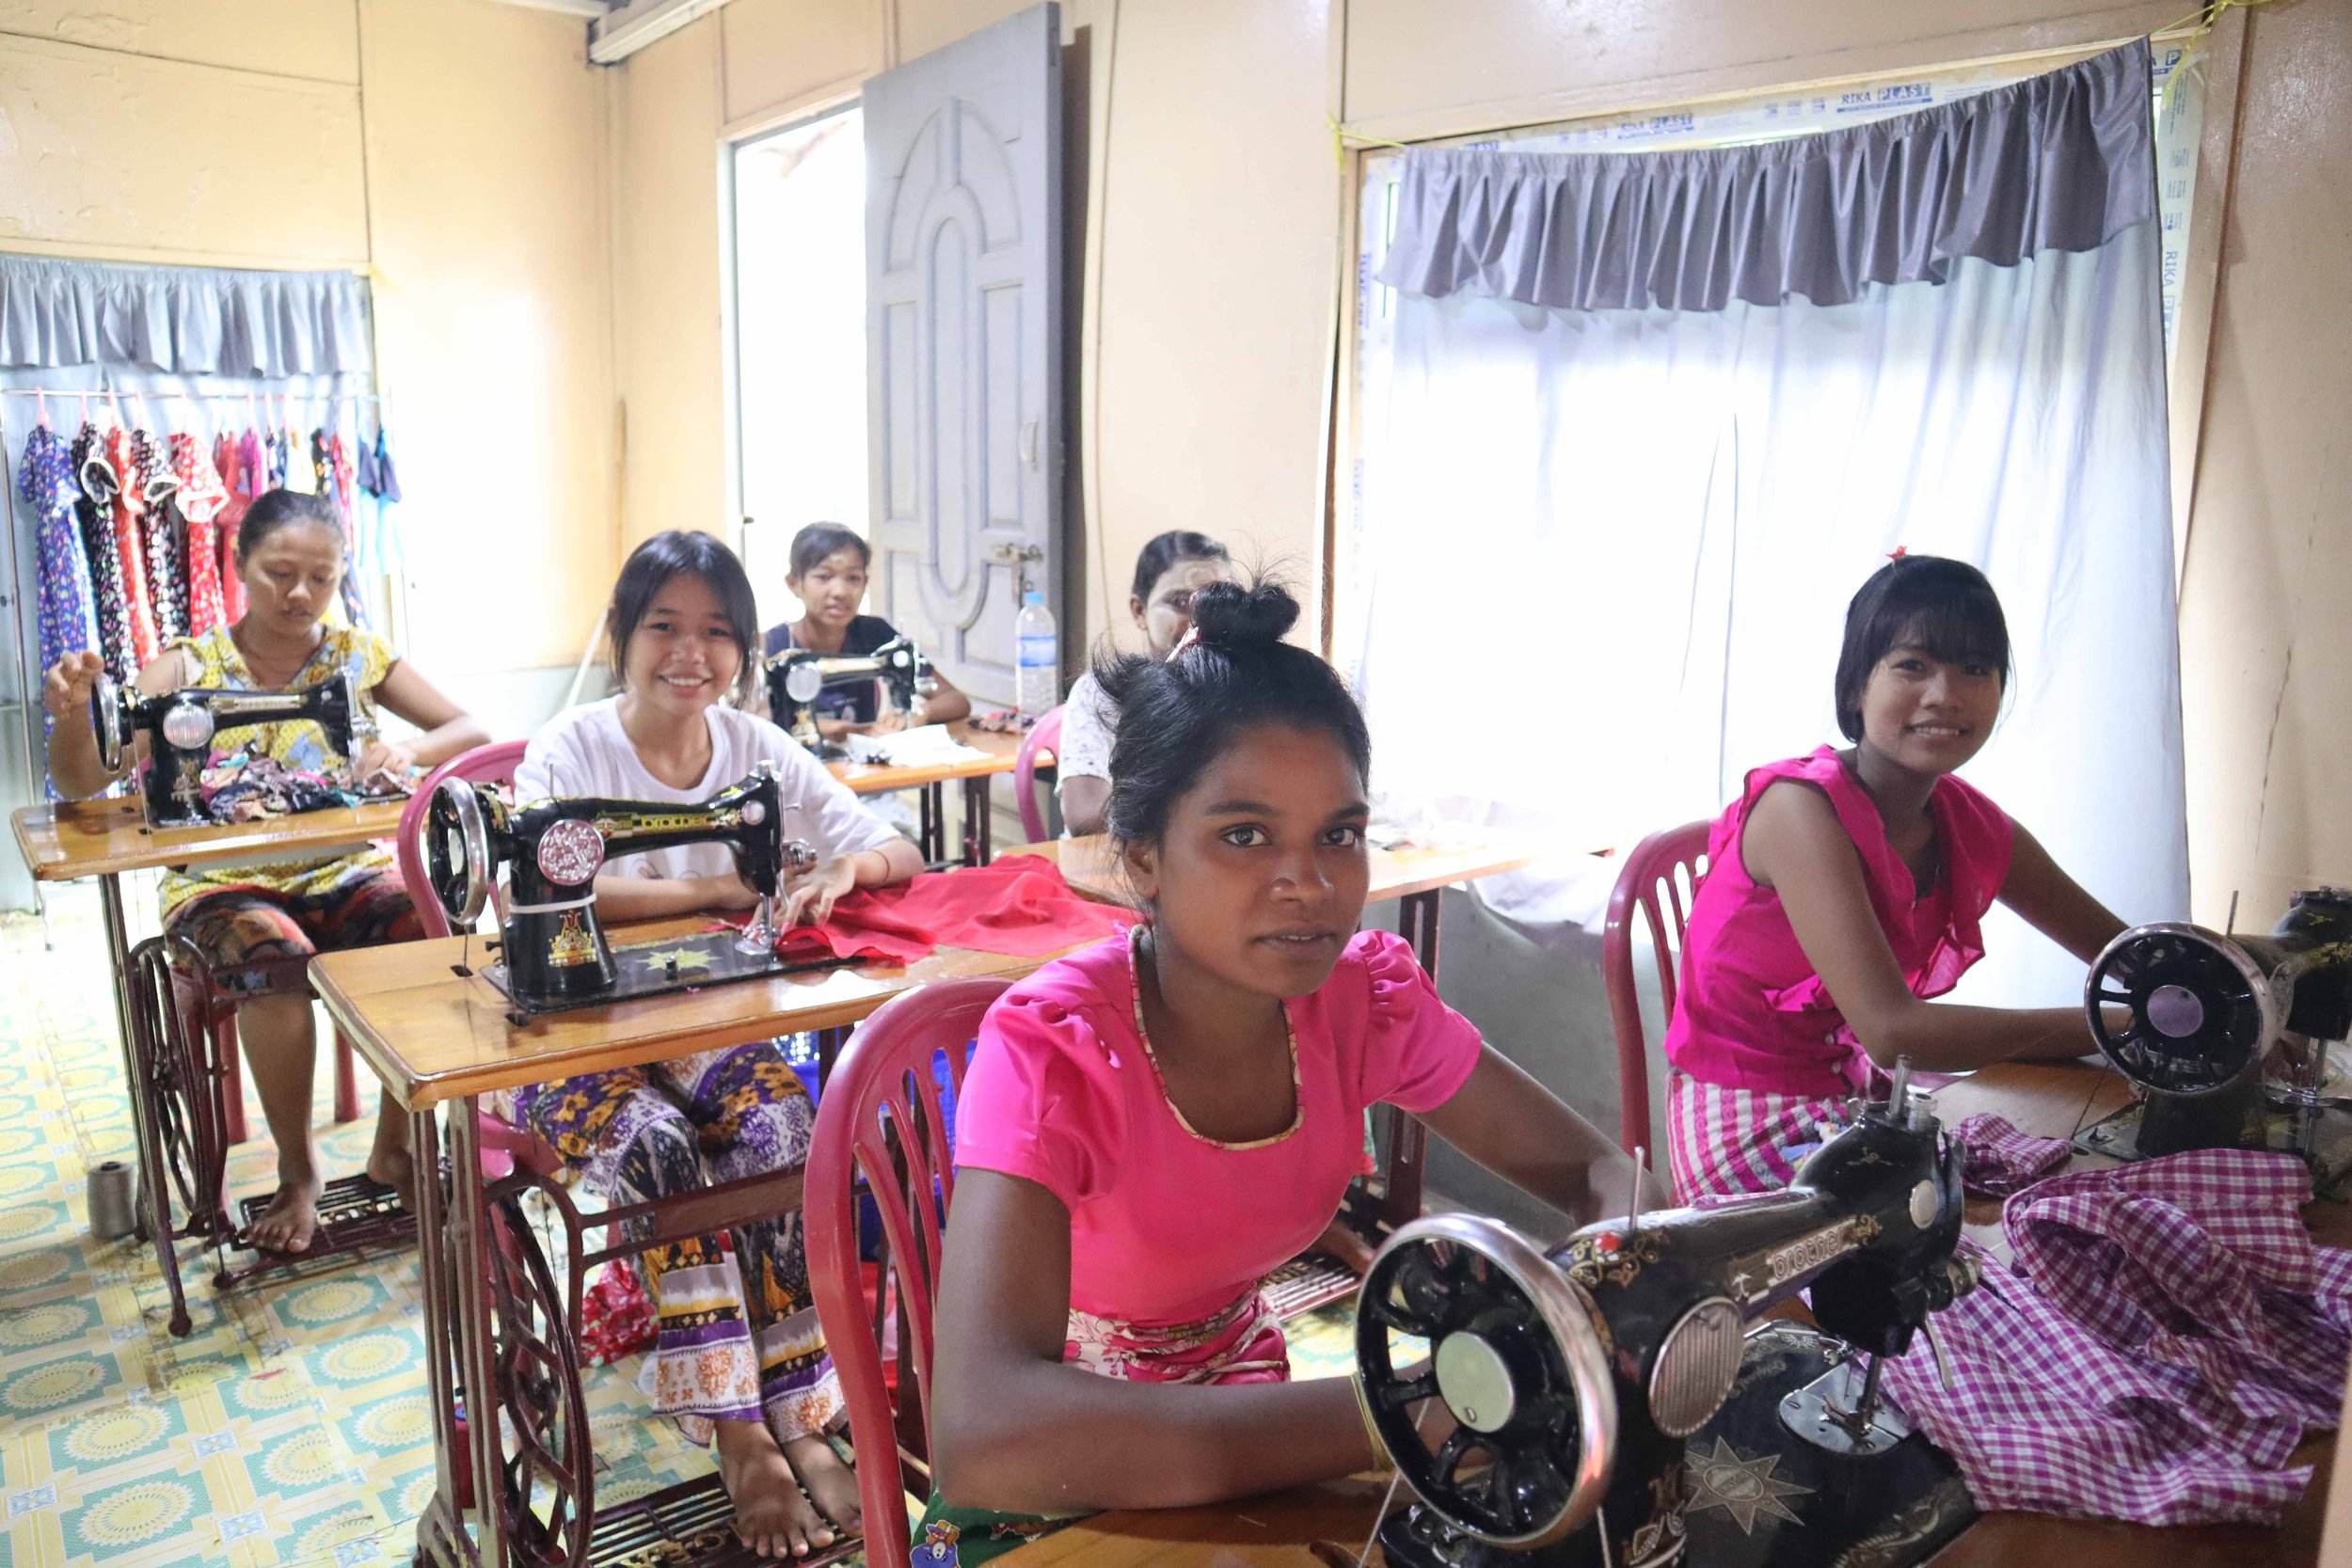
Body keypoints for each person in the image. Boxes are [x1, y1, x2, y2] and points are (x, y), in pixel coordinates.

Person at [921, 578, 1651, 1555]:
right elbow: (986, 1432)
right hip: (1064, 1470)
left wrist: (1622, 1281)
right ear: (1141, 855)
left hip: (1247, 1411)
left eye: (1338, 833)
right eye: (1244, 834)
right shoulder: (1056, 1052)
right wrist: (1417, 1406)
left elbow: (1599, 1172)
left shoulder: (1359, 1004)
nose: (1308, 882)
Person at [516, 530, 925, 1559]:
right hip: (569, 1034)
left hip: (705, 1020)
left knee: (784, 1118)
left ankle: (800, 1407)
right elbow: (533, 882)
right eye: (664, 626)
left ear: (745, 646)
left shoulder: (756, 750)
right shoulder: (569, 750)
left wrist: (849, 871)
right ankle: (737, 1428)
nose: (689, 653)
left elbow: (898, 844)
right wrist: (707, 887)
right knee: (656, 1143)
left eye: (716, 632)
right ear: (622, 634)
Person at [42, 488, 485, 1254]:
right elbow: (84, 783)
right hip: (219, 881)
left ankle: (396, 1147)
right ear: (241, 565)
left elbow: (471, 725)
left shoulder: (355, 656)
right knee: (272, 957)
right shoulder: (187, 667)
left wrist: (408, 750)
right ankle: (298, 1171)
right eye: (280, 572)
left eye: (321, 576)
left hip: (341, 869)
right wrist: (76, 717)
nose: (300, 594)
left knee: (424, 937)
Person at [1661, 553, 2128, 1200]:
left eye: (1975, 668)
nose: (1946, 694)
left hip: (1856, 1101)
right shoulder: (1800, 811)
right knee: (1960, 1271)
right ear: (1856, 687)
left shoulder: (1971, 825)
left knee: (2074, 1209)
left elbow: (2133, 953)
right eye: (1912, 665)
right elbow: (1892, 1031)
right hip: (1749, 1118)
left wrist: (2217, 984)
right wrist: (2119, 1025)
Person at [1056, 531, 1233, 838]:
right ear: (1140, 610)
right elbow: (1085, 817)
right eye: (1179, 602)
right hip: (1110, 868)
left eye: (1212, 603)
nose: (1197, 622)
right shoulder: (1103, 692)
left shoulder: (1238, 691)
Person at [761, 522, 970, 738]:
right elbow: (758, 717)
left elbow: (956, 700)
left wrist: (923, 712)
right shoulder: (773, 646)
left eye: (853, 578)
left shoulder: (875, 634)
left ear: (865, 583)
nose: (840, 591)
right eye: (824, 577)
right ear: (794, 583)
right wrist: (844, 730)